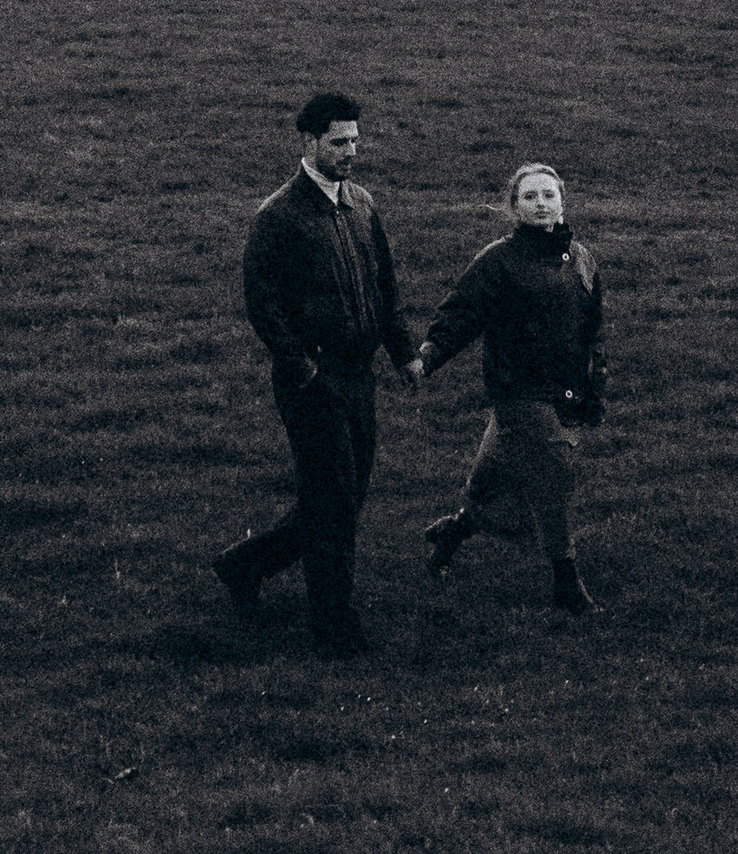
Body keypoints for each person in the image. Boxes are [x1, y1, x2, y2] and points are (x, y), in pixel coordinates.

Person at [211, 91, 418, 657]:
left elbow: (386, 289)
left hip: (359, 375)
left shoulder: (363, 206)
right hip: (314, 380)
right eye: (338, 142)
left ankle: (244, 565)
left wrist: (403, 354)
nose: (350, 151)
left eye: (355, 140)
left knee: (342, 498)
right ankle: (333, 625)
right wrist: (299, 363)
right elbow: (263, 301)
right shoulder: (280, 216)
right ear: (308, 143)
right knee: (332, 500)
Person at [408, 160, 605, 615]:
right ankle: (566, 584)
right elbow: (460, 314)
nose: (541, 204)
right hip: (518, 394)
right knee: (553, 474)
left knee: (493, 481)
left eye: (548, 195)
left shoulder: (581, 257)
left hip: (565, 391)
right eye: (529, 197)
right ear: (513, 207)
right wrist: (429, 357)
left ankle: (453, 532)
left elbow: (594, 327)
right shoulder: (498, 260)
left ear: (563, 201)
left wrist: (597, 383)